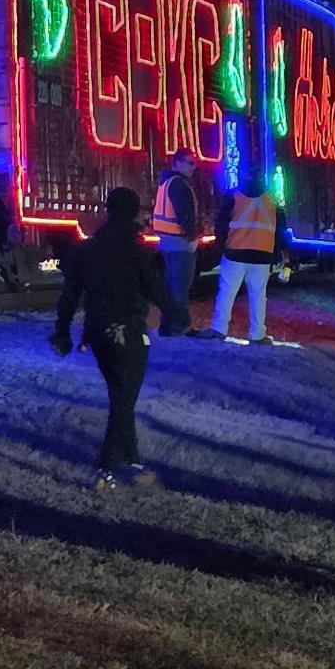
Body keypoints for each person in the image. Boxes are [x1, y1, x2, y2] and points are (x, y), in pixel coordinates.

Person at [49, 186, 177, 491]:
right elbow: (157, 289)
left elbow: (70, 294)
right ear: (134, 214)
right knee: (124, 399)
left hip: (97, 332)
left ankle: (132, 461)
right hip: (128, 330)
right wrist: (177, 315)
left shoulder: (87, 250)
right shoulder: (137, 251)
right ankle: (105, 469)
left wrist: (62, 329)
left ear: (108, 211)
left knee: (121, 395)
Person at [192, 168, 290, 344]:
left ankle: (219, 328)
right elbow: (280, 230)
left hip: (235, 252)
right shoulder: (272, 199)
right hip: (262, 255)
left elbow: (221, 225)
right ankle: (257, 334)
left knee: (227, 292)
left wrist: (222, 246)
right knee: (258, 295)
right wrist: (279, 254)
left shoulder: (233, 196)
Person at [149, 148, 201, 334]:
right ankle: (181, 326)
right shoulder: (179, 184)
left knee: (172, 286)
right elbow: (185, 214)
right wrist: (192, 237)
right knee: (180, 286)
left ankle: (168, 326)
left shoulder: (167, 182)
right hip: (180, 242)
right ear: (177, 163)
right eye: (190, 163)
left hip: (168, 240)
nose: (193, 167)